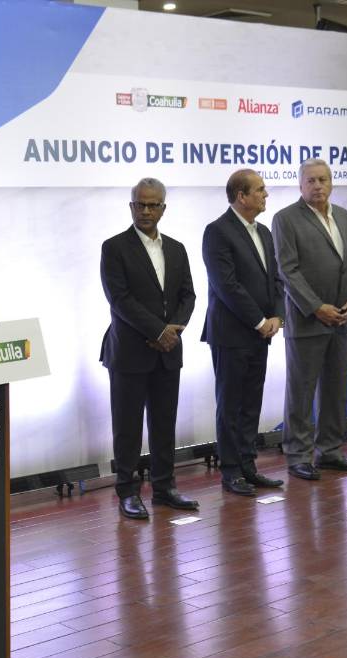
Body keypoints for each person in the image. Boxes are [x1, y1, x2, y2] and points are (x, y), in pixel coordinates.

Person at [100, 178, 198, 519]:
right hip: (129, 352)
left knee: (164, 424)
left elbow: (188, 295)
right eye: (140, 204)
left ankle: (164, 487)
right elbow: (119, 299)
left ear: (163, 209)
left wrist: (174, 330)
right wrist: (158, 330)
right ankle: (127, 492)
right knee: (127, 428)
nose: (146, 210)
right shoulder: (114, 247)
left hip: (168, 351)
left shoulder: (177, 248)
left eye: (152, 205)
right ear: (131, 207)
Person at [271, 159, 347, 481]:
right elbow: (287, 270)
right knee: (301, 392)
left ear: (331, 183)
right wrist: (316, 307)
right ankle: (298, 455)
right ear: (300, 185)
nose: (317, 186)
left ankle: (330, 451)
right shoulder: (285, 219)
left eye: (323, 179)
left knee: (336, 389)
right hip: (307, 320)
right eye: (310, 180)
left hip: (341, 318)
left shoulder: (345, 216)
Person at [201, 169, 286, 497]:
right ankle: (231, 471)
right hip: (231, 334)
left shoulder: (263, 231)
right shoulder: (217, 231)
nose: (266, 195)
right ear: (241, 196)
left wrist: (277, 315)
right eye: (260, 190)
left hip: (261, 333)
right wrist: (259, 321)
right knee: (231, 405)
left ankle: (248, 466)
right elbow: (227, 286)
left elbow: (275, 278)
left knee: (251, 403)